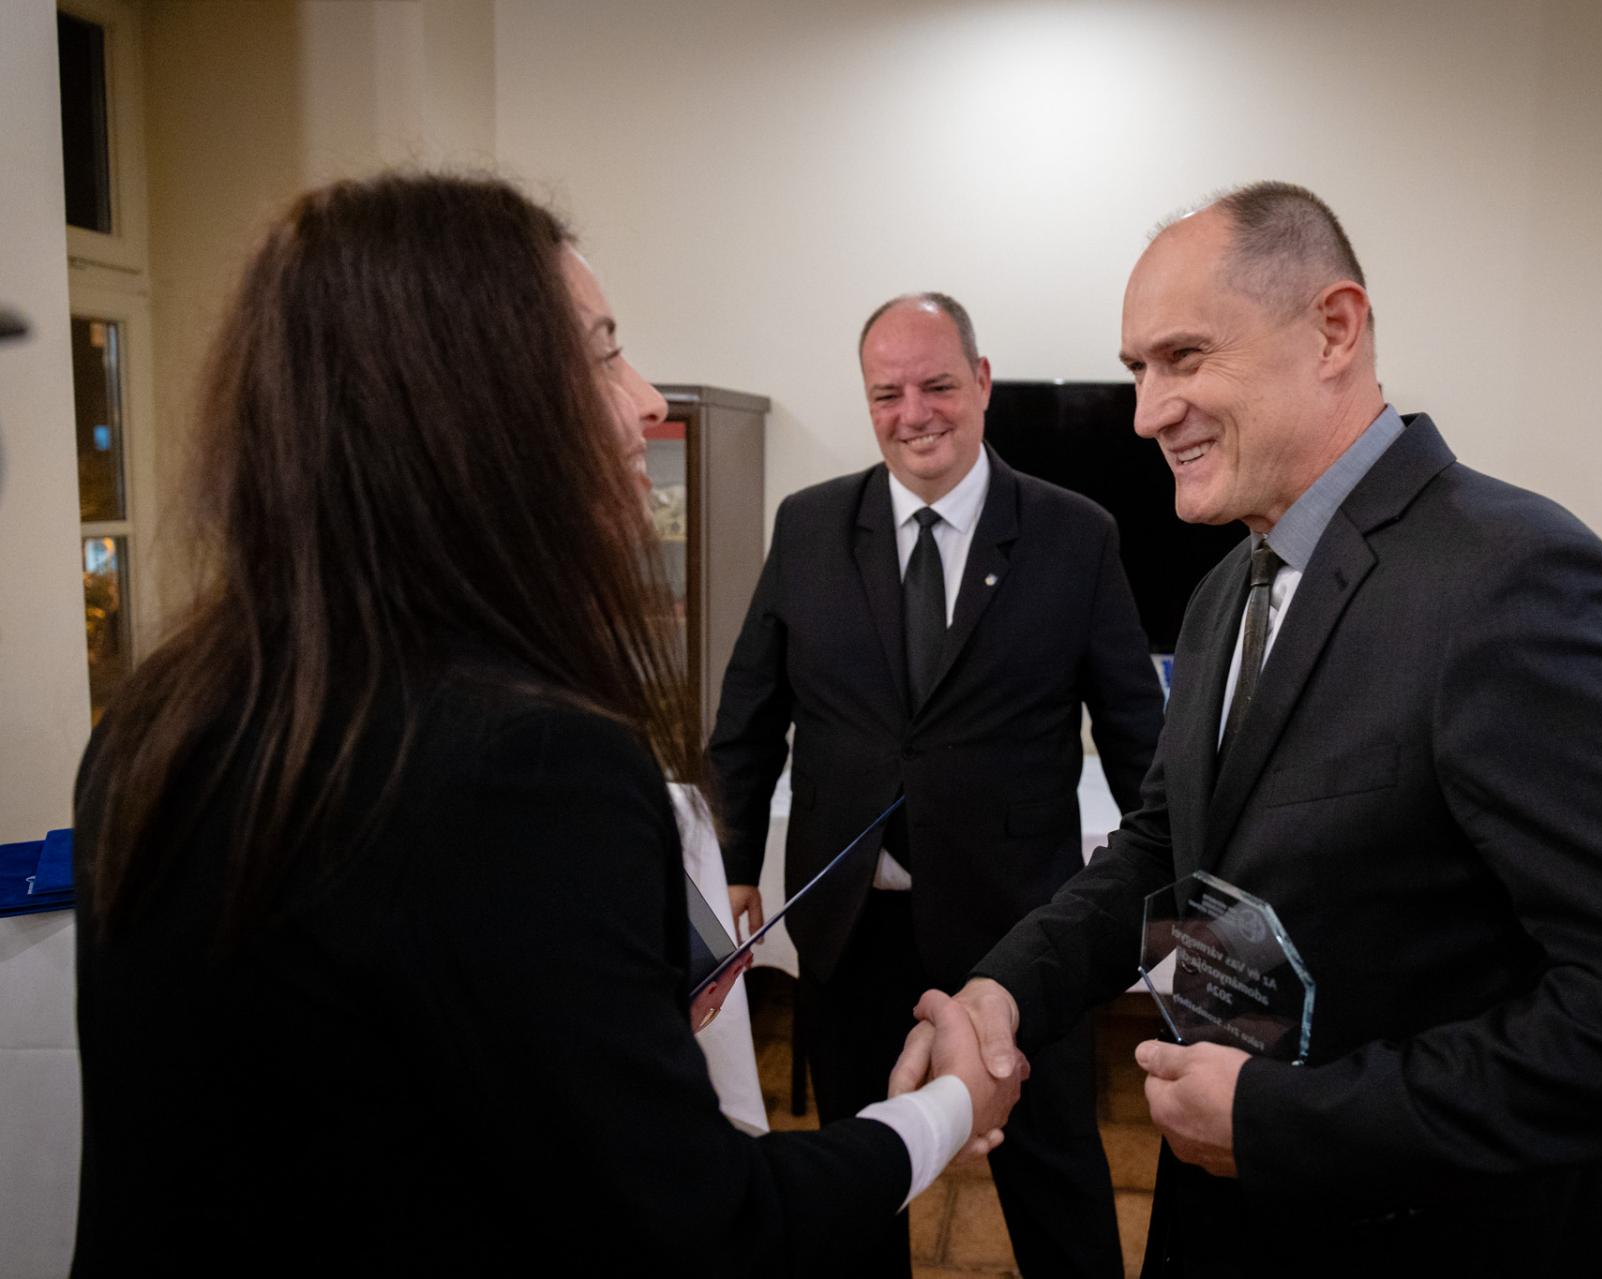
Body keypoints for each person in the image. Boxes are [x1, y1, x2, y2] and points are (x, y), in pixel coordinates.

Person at [67, 172, 1020, 1277]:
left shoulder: (158, 714)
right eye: (603, 353)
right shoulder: (528, 765)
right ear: (469, 407)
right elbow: (708, 1223)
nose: (647, 400)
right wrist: (952, 1103)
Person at [890, 182, 1602, 1276]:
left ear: (1334, 330)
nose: (1147, 412)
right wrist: (1005, 989)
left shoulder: (1512, 580)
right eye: (1138, 369)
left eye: (1185, 357)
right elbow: (1165, 851)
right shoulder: (1227, 587)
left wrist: (1286, 1122)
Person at [709, 292, 1165, 1276]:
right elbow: (749, 711)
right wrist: (736, 859)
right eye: (888, 393)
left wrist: (1183, 888)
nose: (914, 413)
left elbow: (1139, 732)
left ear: (983, 381)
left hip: (1020, 931)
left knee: (1055, 1178)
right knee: (857, 1181)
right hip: (850, 929)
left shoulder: (1074, 534)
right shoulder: (809, 525)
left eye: (938, 385)